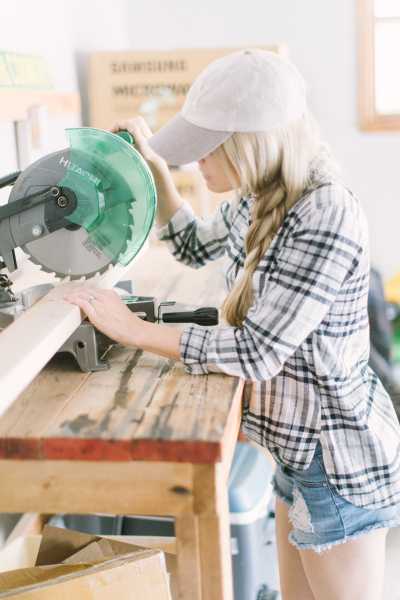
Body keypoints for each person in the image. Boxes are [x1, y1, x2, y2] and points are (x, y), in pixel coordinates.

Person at [65, 49, 400, 600]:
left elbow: (256, 352)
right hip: (297, 456)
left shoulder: (325, 211)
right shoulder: (261, 197)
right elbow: (195, 246)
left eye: (205, 149)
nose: (196, 163)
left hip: (339, 466)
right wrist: (154, 171)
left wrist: (131, 329)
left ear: (248, 142)